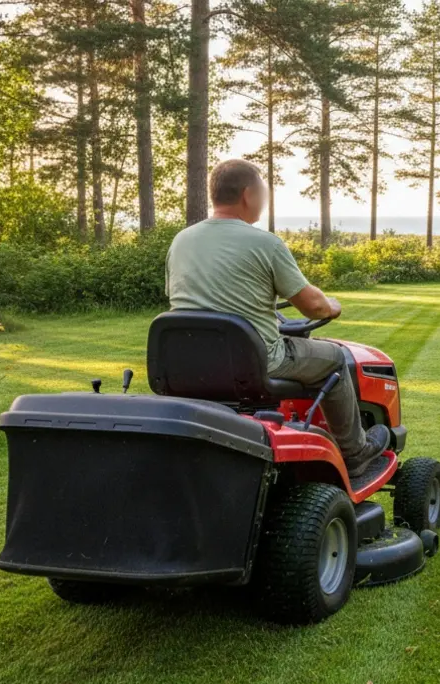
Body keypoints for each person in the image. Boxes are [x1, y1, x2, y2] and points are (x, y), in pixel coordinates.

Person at [166, 159, 391, 476]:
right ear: (248, 194)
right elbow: (314, 307)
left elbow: (197, 300)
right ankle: (355, 452)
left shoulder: (181, 242)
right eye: (263, 192)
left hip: (189, 364)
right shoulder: (265, 243)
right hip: (257, 362)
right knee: (336, 358)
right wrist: (332, 305)